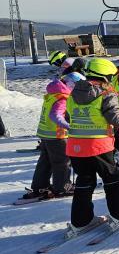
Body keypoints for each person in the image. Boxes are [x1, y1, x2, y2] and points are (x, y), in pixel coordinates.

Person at [66, 58, 119, 228]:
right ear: (105, 75)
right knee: (111, 179)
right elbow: (116, 119)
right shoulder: (105, 93)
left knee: (84, 181)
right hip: (98, 145)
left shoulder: (74, 92)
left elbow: (68, 117)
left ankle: (81, 222)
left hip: (75, 146)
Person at [26, 71, 85, 200]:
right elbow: (55, 115)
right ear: (71, 84)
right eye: (77, 87)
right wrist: (70, 126)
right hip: (57, 136)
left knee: (45, 162)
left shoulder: (53, 94)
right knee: (62, 162)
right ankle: (62, 187)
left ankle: (40, 186)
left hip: (46, 134)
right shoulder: (63, 98)